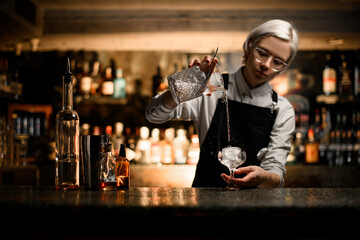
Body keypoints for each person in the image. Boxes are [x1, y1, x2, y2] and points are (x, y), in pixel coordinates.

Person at [146, 19, 298, 188]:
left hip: (257, 207)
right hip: (204, 204)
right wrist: (186, 86)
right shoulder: (210, 86)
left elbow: (276, 173)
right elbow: (154, 114)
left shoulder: (282, 109)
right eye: (262, 53)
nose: (266, 65)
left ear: (283, 68)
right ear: (249, 46)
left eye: (277, 62)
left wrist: (264, 177)